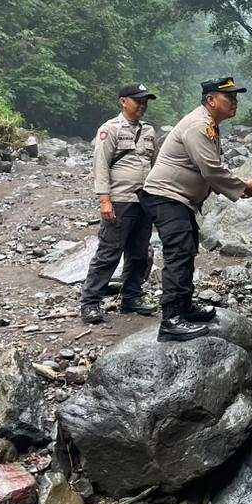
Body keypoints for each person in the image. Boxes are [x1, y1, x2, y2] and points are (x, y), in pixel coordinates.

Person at [139, 77, 252, 342]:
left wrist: (236, 187)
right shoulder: (199, 125)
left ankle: (184, 307)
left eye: (236, 97)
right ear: (210, 100)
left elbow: (207, 173)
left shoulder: (209, 125)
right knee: (179, 253)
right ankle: (171, 320)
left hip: (179, 200)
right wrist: (243, 187)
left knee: (186, 250)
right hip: (167, 197)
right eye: (228, 97)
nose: (234, 102)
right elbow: (211, 170)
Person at [80, 83, 159, 325]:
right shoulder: (110, 129)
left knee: (138, 253)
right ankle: (90, 303)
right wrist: (105, 200)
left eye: (145, 101)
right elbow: (100, 166)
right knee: (109, 253)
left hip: (143, 201)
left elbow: (155, 164)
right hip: (120, 201)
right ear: (123, 101)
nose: (142, 105)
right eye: (138, 101)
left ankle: (131, 298)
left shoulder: (149, 131)